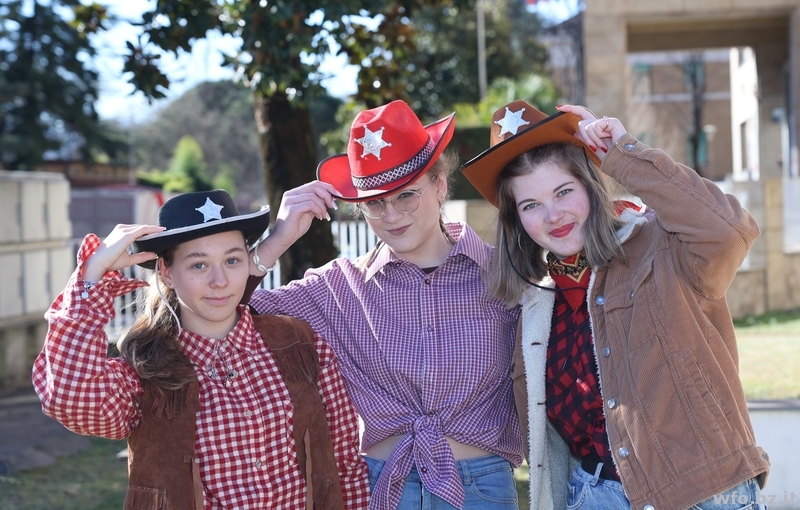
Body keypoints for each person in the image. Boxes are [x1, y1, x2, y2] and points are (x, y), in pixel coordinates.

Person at [460, 100, 771, 510]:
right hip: (593, 496)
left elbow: (729, 232)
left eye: (563, 191)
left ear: (590, 185)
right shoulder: (533, 308)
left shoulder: (662, 244)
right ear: (517, 221)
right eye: (531, 205)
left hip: (705, 492)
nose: (553, 215)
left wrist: (623, 154)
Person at [245, 100, 524, 510]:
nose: (391, 215)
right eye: (375, 203)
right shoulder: (337, 288)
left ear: (440, 185)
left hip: (482, 489)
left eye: (406, 195)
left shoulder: (507, 277)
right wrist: (278, 239)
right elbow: (222, 310)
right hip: (380, 486)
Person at [33, 189, 369, 509]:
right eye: (198, 265)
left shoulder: (300, 344)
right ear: (166, 273)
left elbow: (344, 464)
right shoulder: (144, 372)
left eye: (232, 260)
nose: (220, 281)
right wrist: (92, 275)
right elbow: (70, 400)